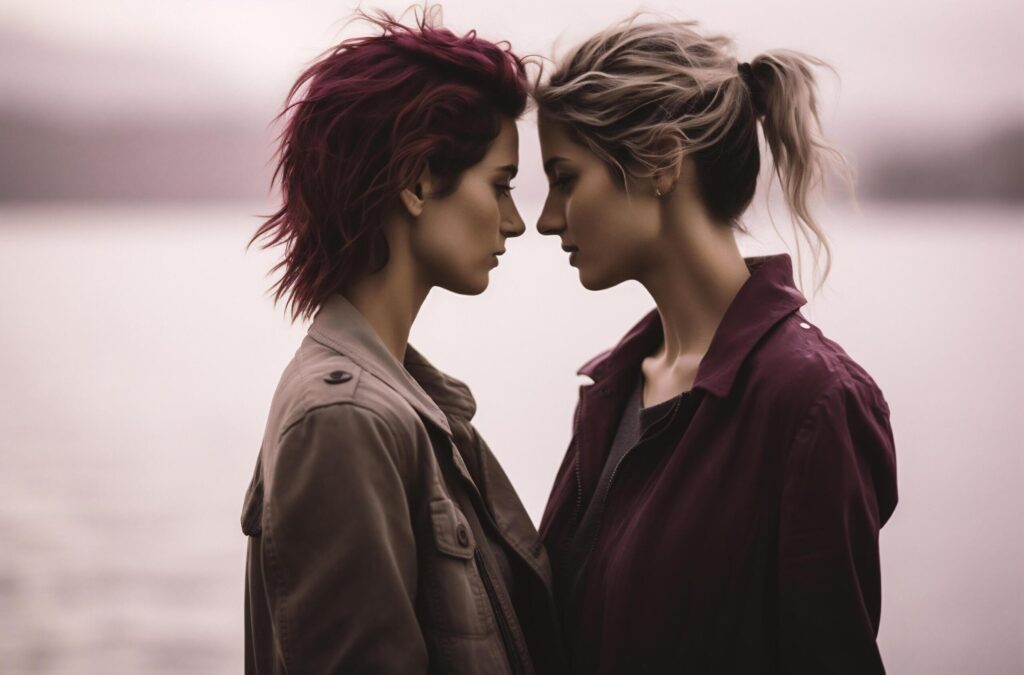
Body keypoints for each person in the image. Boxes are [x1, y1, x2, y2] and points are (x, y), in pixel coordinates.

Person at [532, 14, 898, 674]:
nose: (546, 217)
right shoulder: (612, 389)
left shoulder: (809, 401)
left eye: (565, 178)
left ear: (662, 162)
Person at [240, 8, 562, 674]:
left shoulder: (404, 403)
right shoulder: (345, 419)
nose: (516, 222)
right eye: (500, 186)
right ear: (417, 182)